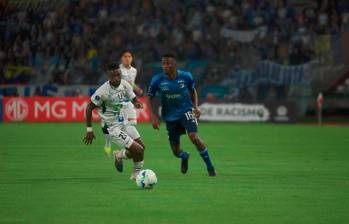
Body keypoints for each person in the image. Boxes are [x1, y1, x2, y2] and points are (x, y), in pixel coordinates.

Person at [147, 54, 216, 176]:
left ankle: (210, 167)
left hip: (186, 111)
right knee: (175, 151)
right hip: (170, 116)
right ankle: (184, 156)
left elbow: (192, 90)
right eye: (163, 63)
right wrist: (153, 116)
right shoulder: (157, 80)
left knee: (194, 137)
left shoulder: (186, 76)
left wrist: (195, 106)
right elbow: (150, 98)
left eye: (168, 63)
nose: (165, 66)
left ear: (175, 64)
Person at [83, 63, 146, 180]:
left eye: (118, 75)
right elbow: (89, 108)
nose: (117, 78)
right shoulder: (102, 91)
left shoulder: (125, 84)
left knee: (142, 147)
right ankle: (136, 175)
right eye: (114, 76)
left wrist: (136, 103)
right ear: (108, 76)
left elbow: (133, 98)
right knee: (138, 150)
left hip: (124, 122)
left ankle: (119, 155)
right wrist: (89, 130)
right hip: (112, 128)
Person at [104, 51, 143, 156]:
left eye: (129, 56)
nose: (127, 58)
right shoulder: (118, 70)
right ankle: (108, 141)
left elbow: (132, 84)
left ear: (132, 58)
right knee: (117, 125)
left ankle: (123, 152)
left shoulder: (134, 70)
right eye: (125, 56)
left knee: (132, 124)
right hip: (118, 103)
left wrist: (137, 89)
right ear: (122, 58)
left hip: (129, 102)